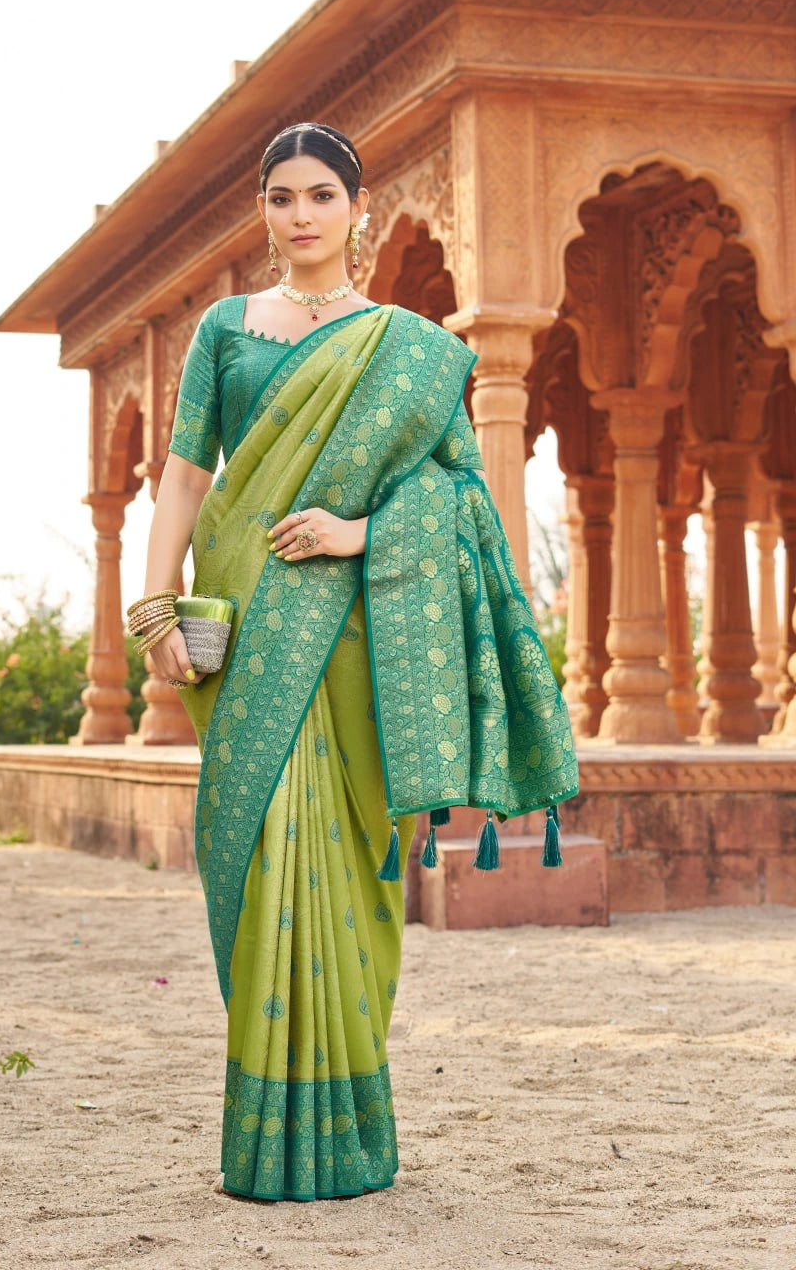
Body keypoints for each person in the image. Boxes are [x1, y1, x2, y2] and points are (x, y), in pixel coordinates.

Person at [131, 122, 578, 1202]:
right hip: (242, 626)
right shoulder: (225, 333)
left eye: (319, 194)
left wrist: (358, 533)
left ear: (356, 207)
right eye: (279, 196)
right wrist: (151, 605)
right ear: (263, 210)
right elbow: (187, 479)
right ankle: (264, 1138)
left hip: (357, 640)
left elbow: (463, 502)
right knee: (255, 853)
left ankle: (349, 1132)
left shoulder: (405, 348)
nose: (298, 215)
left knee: (347, 874)